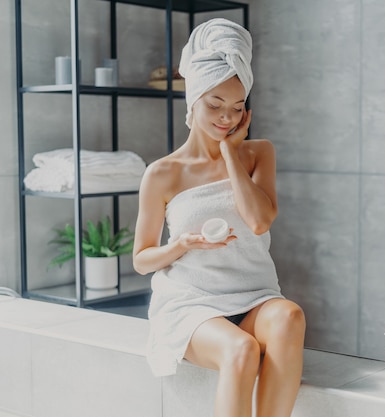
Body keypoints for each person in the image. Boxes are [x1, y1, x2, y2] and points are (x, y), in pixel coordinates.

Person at [132, 18, 306, 417]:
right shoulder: (163, 172)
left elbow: (259, 220)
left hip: (254, 295)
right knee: (241, 350)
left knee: (289, 316)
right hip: (192, 305)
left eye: (237, 107)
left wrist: (229, 152)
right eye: (215, 105)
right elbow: (141, 260)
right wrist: (181, 245)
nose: (226, 118)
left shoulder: (257, 153)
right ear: (193, 99)